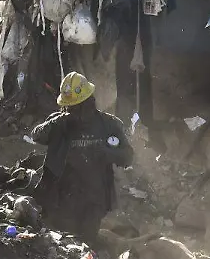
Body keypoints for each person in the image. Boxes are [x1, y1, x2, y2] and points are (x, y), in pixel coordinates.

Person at [29, 71, 133, 247]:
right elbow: (36, 135)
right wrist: (59, 122)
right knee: (59, 246)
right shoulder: (59, 123)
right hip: (60, 199)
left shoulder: (108, 124)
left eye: (77, 106)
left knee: (85, 246)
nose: (73, 111)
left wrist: (107, 153)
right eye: (70, 107)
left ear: (89, 102)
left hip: (94, 200)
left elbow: (128, 156)